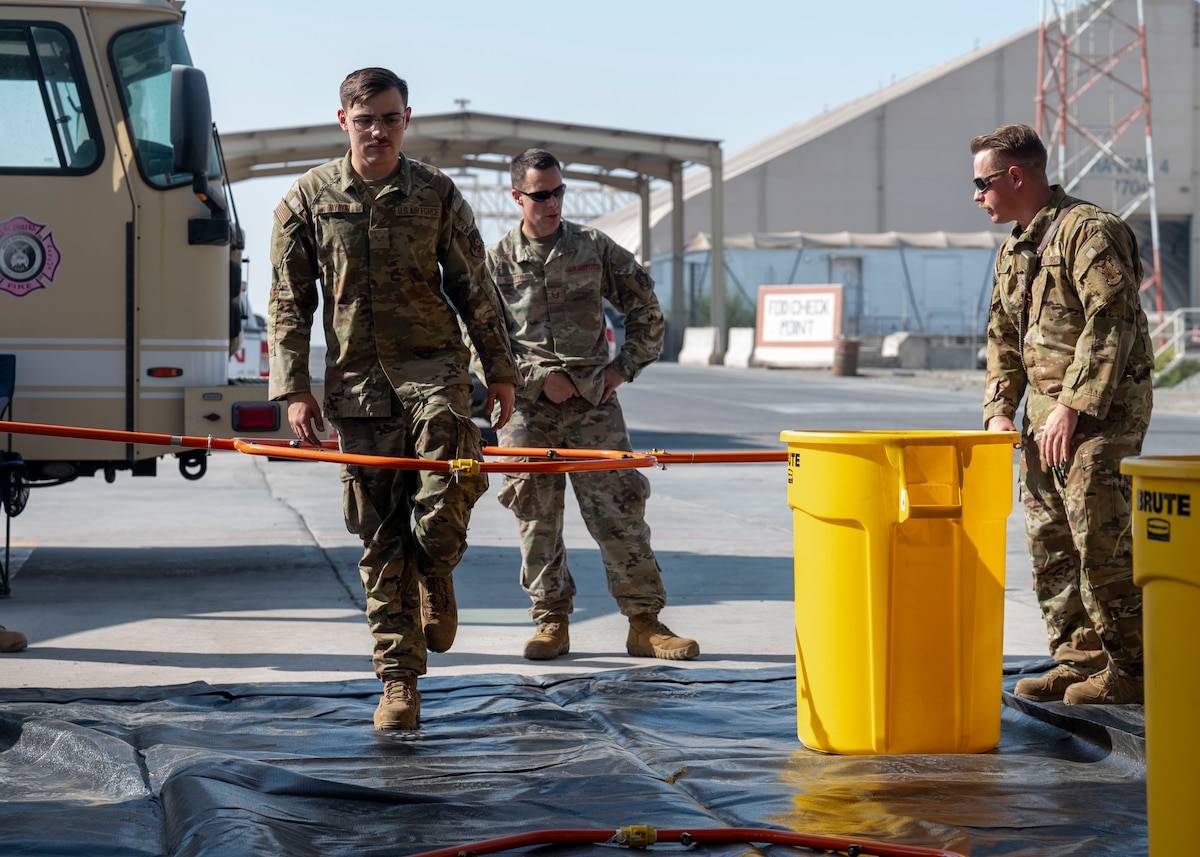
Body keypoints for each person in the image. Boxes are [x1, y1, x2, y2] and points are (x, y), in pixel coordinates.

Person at [268, 68, 518, 730]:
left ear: (407, 120)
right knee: (380, 538)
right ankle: (399, 682)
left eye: (390, 118)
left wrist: (500, 369)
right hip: (355, 385)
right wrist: (292, 387)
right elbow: (289, 302)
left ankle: (437, 565)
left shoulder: (435, 194)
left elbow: (474, 287)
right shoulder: (307, 200)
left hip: (432, 368)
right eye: (365, 118)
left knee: (452, 460)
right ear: (342, 119)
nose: (377, 130)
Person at [485, 148, 698, 662]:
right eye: (541, 194)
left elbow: (646, 309)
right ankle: (550, 621)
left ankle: (644, 623)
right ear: (517, 198)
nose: (553, 202)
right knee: (536, 515)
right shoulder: (493, 262)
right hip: (527, 409)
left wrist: (622, 368)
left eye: (559, 191)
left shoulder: (594, 248)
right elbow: (478, 338)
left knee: (620, 508)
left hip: (594, 403)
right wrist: (534, 379)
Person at [973, 123, 1152, 705]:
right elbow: (1002, 336)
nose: (978, 196)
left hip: (1102, 415)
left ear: (1015, 176)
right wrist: (1000, 410)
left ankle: (1135, 667)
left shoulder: (1088, 231)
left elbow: (1112, 319)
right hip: (1045, 423)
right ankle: (1079, 660)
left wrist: (1074, 405)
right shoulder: (1016, 248)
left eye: (982, 183)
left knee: (1099, 538)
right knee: (1050, 542)